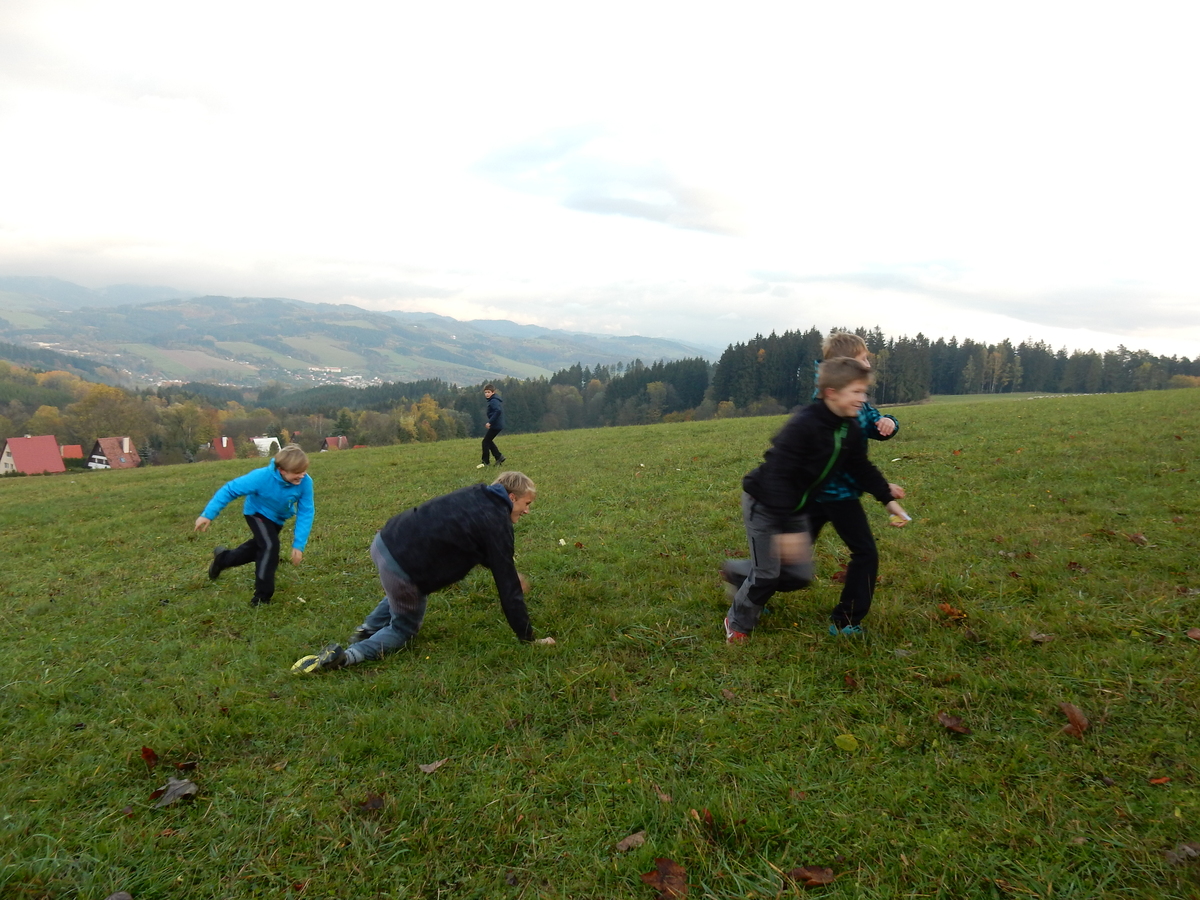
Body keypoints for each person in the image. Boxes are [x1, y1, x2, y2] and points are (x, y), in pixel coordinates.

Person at [292, 471, 553, 673]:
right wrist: (528, 638)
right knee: (403, 626)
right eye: (526, 503)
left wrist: (509, 574)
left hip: (385, 542)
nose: (527, 511)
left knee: (403, 590)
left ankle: (368, 627)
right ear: (511, 497)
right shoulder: (497, 522)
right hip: (405, 567)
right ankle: (347, 656)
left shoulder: (476, 493)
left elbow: (477, 543)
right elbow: (507, 589)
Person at [723, 357, 908, 643]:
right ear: (832, 393)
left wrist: (887, 498)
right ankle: (737, 624)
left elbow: (860, 467)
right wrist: (785, 528)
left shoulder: (849, 427)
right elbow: (777, 475)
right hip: (764, 503)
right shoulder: (804, 425)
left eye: (864, 392)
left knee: (798, 575)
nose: (863, 399)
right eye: (856, 392)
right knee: (767, 574)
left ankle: (737, 573)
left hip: (796, 506)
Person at [195, 443, 314, 607]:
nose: (302, 476)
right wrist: (208, 514)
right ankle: (262, 598)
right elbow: (230, 490)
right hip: (256, 513)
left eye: (304, 471)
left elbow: (306, 512)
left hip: (277, 519)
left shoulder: (305, 482)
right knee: (270, 546)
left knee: (257, 549)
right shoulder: (261, 477)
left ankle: (222, 559)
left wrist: (299, 544)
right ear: (282, 470)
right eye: (297, 472)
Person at [477, 384, 506, 468]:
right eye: (485, 392)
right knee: (488, 441)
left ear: (493, 392)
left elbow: (498, 411)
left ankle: (486, 462)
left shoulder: (493, 401)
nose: (487, 394)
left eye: (488, 392)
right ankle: (499, 457)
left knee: (485, 442)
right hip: (497, 424)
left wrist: (490, 422)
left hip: (496, 425)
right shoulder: (494, 399)